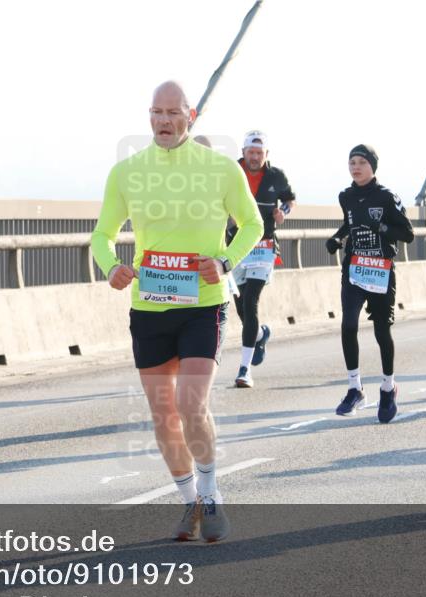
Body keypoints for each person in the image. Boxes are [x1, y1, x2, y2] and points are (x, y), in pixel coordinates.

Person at [91, 81, 262, 542]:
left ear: (191, 115)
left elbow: (253, 224)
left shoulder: (221, 169)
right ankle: (189, 503)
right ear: (149, 116)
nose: (164, 120)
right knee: (163, 414)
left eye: (173, 112)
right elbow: (102, 235)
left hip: (202, 305)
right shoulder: (127, 172)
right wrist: (112, 268)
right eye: (156, 112)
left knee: (191, 403)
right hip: (149, 307)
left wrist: (224, 261)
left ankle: (210, 494)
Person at [324, 144, 414, 423]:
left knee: (381, 330)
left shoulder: (387, 197)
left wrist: (383, 228)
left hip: (380, 270)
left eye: (362, 162)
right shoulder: (346, 196)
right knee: (348, 324)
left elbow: (408, 234)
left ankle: (388, 387)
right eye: (352, 162)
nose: (356, 167)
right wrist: (337, 239)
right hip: (354, 269)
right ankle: (355, 389)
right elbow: (348, 224)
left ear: (373, 166)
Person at [227, 131, 296, 388]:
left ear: (266, 155)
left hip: (264, 245)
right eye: (250, 152)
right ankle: (259, 334)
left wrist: (283, 211)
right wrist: (227, 217)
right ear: (243, 152)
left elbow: (290, 198)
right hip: (235, 246)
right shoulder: (232, 171)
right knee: (240, 306)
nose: (254, 157)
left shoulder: (276, 176)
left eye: (259, 153)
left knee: (251, 301)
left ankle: (244, 369)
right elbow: (216, 199)